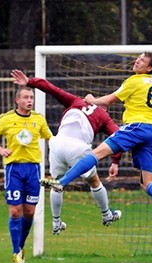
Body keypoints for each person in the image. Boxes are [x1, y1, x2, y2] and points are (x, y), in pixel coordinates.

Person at [40, 52, 152, 232]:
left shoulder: (134, 81)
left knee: (96, 154)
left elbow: (108, 100)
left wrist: (92, 100)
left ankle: (61, 182)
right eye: (138, 58)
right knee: (147, 183)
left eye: (142, 60)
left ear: (150, 67)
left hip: (135, 127)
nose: (137, 61)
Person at [11, 69, 123, 235]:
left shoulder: (75, 101)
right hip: (77, 148)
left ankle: (56, 223)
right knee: (94, 181)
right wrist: (115, 161)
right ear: (105, 107)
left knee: (57, 184)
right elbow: (119, 138)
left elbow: (50, 88)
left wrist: (29, 82)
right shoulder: (104, 116)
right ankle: (107, 214)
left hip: (56, 144)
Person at [0, 83, 53, 263]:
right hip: (14, 169)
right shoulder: (6, 119)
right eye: (25, 98)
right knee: (15, 211)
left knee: (30, 211)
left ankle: (20, 245)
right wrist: (1, 150)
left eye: (31, 98)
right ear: (17, 100)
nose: (29, 101)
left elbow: (50, 138)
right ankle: (16, 253)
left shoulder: (39, 119)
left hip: (33, 170)